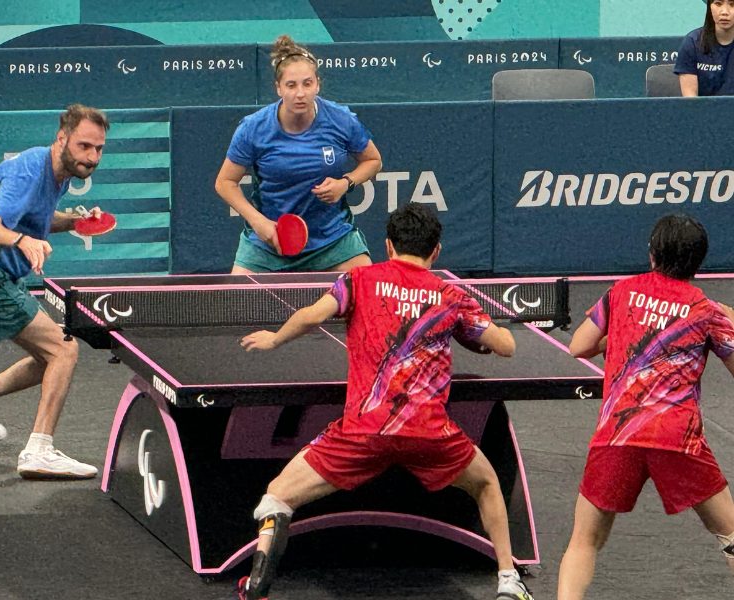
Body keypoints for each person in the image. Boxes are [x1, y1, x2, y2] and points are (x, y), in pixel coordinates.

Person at [237, 204, 532, 600]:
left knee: (277, 495)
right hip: (429, 433)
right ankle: (508, 582)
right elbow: (506, 346)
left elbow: (311, 315)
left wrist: (273, 338)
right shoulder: (451, 296)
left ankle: (257, 584)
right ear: (437, 251)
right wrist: (464, 333)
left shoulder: (359, 279)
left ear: (389, 245)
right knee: (486, 482)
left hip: (363, 432)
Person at [558, 214, 734, 599]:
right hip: (677, 439)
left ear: (653, 254)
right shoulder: (709, 311)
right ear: (699, 263)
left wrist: (622, 333)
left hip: (618, 434)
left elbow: (579, 346)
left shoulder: (621, 292)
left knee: (584, 541)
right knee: (731, 534)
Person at [0, 104, 108, 480]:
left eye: (98, 149)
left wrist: (74, 222)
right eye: (84, 146)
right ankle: (39, 450)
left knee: (51, 357)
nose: (92, 157)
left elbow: (38, 219)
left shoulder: (58, 173)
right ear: (61, 139)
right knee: (65, 348)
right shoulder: (29, 170)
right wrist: (24, 240)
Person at [214, 34, 382, 274]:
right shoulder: (253, 128)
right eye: (291, 85)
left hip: (332, 239)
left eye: (307, 83)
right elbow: (225, 182)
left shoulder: (341, 120)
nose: (300, 93)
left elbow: (373, 161)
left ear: (317, 84)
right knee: (238, 305)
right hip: (270, 242)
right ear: (279, 88)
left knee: (366, 293)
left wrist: (345, 183)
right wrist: (257, 221)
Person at [675, 0, 734, 96]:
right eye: (718, 3)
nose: (724, 12)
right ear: (710, 7)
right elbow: (691, 102)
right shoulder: (692, 43)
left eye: (732, 4)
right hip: (703, 110)